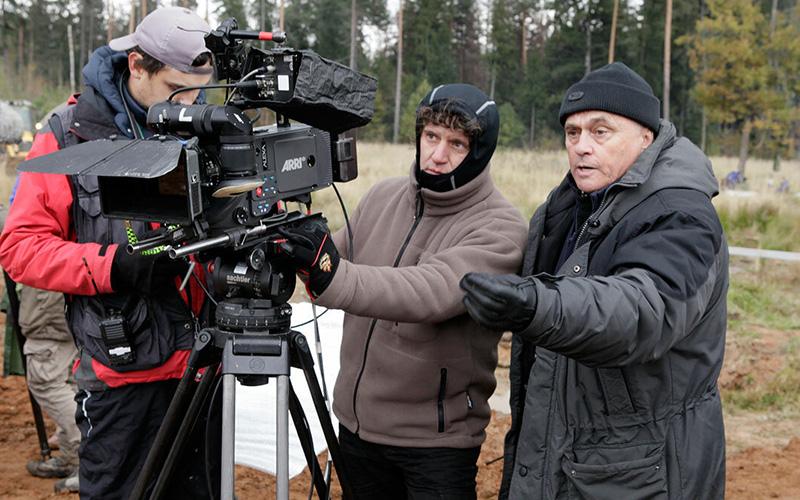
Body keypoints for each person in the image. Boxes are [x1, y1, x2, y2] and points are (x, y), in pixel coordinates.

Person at [460, 62, 728, 499]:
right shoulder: (566, 207)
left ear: (646, 137)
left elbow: (643, 309)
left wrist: (537, 305)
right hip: (567, 453)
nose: (582, 146)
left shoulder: (680, 213)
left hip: (643, 471)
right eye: (573, 132)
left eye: (600, 132)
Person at [0, 7, 218, 499]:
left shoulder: (204, 124)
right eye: (177, 90)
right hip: (121, 376)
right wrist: (113, 266)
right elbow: (20, 247)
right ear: (137, 64)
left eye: (199, 91)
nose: (190, 103)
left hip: (205, 367)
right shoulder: (69, 132)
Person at [279, 83, 528, 499]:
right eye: (431, 136)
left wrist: (329, 273)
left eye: (456, 144)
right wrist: (285, 244)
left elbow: (427, 291)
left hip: (435, 444)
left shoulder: (501, 227)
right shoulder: (382, 196)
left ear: (480, 152)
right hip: (357, 427)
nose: (438, 155)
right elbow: (334, 256)